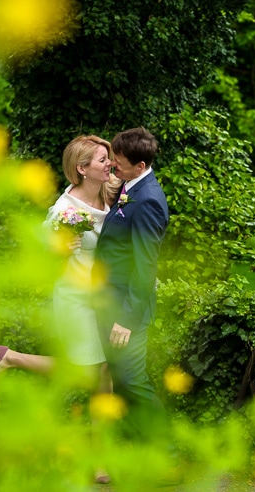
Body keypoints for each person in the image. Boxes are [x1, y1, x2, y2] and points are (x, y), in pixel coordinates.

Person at [0, 134, 119, 483]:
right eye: (102, 159)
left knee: (98, 373)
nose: (109, 163)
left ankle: (10, 358)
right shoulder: (64, 211)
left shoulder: (111, 192)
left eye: (108, 158)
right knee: (96, 373)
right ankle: (100, 460)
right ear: (82, 168)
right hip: (75, 299)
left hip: (102, 297)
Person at [92, 127, 170, 442]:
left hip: (127, 307)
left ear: (140, 166)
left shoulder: (148, 199)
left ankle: (167, 457)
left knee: (133, 380)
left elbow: (145, 264)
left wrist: (126, 317)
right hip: (110, 300)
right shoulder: (131, 186)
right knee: (123, 382)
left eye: (119, 162)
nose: (113, 165)